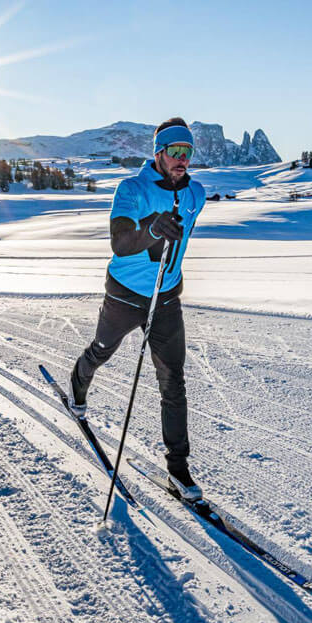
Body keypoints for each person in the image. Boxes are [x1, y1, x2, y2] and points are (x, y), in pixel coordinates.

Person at [70, 117, 206, 500]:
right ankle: (77, 385)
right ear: (158, 153)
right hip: (125, 295)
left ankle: (178, 469)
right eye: (175, 152)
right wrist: (152, 229)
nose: (182, 159)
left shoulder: (196, 194)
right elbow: (120, 242)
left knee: (172, 380)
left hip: (166, 298)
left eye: (187, 153)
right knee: (102, 350)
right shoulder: (131, 189)